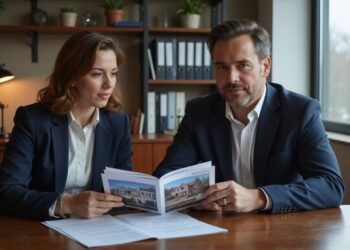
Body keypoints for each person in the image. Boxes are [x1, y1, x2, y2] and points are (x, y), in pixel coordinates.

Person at [153, 19, 345, 214]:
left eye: (243, 66)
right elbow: (165, 178)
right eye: (222, 67)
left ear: (265, 66)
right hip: (221, 233)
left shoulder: (300, 112)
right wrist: (195, 200)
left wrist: (259, 197)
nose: (231, 78)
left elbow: (331, 186)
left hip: (281, 233)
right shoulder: (199, 112)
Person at [0, 31, 132, 219]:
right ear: (72, 78)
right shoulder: (32, 120)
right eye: (97, 74)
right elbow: (6, 191)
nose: (109, 84)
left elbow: (122, 192)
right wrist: (67, 204)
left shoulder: (119, 123)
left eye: (113, 73)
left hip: (99, 230)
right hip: (41, 229)